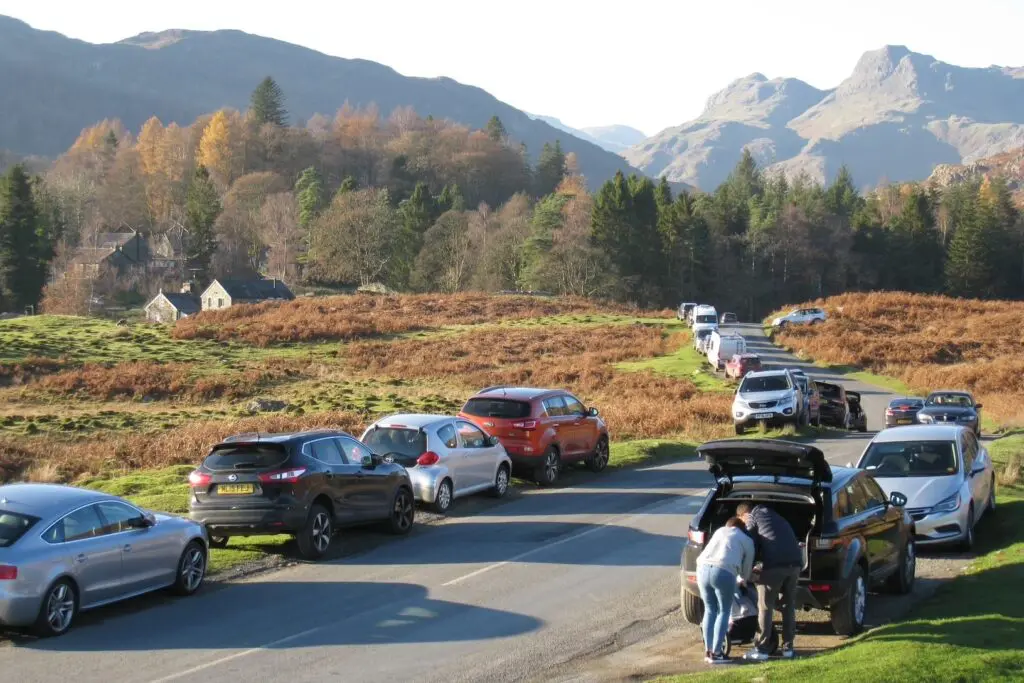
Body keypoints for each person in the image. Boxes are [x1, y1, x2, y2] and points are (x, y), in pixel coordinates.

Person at [736, 502, 803, 660]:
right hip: (795, 564)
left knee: (765, 606)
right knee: (788, 606)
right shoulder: (774, 516)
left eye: (741, 521)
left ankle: (762, 649)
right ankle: (788, 649)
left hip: (775, 565)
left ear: (743, 515)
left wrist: (747, 568)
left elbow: (749, 541)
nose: (743, 524)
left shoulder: (753, 516)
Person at [695, 516, 756, 664]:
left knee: (710, 610)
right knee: (724, 611)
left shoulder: (719, 531)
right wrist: (743, 579)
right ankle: (717, 653)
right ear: (743, 529)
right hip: (723, 571)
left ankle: (708, 651)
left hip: (702, 569)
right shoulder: (747, 540)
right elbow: (746, 567)